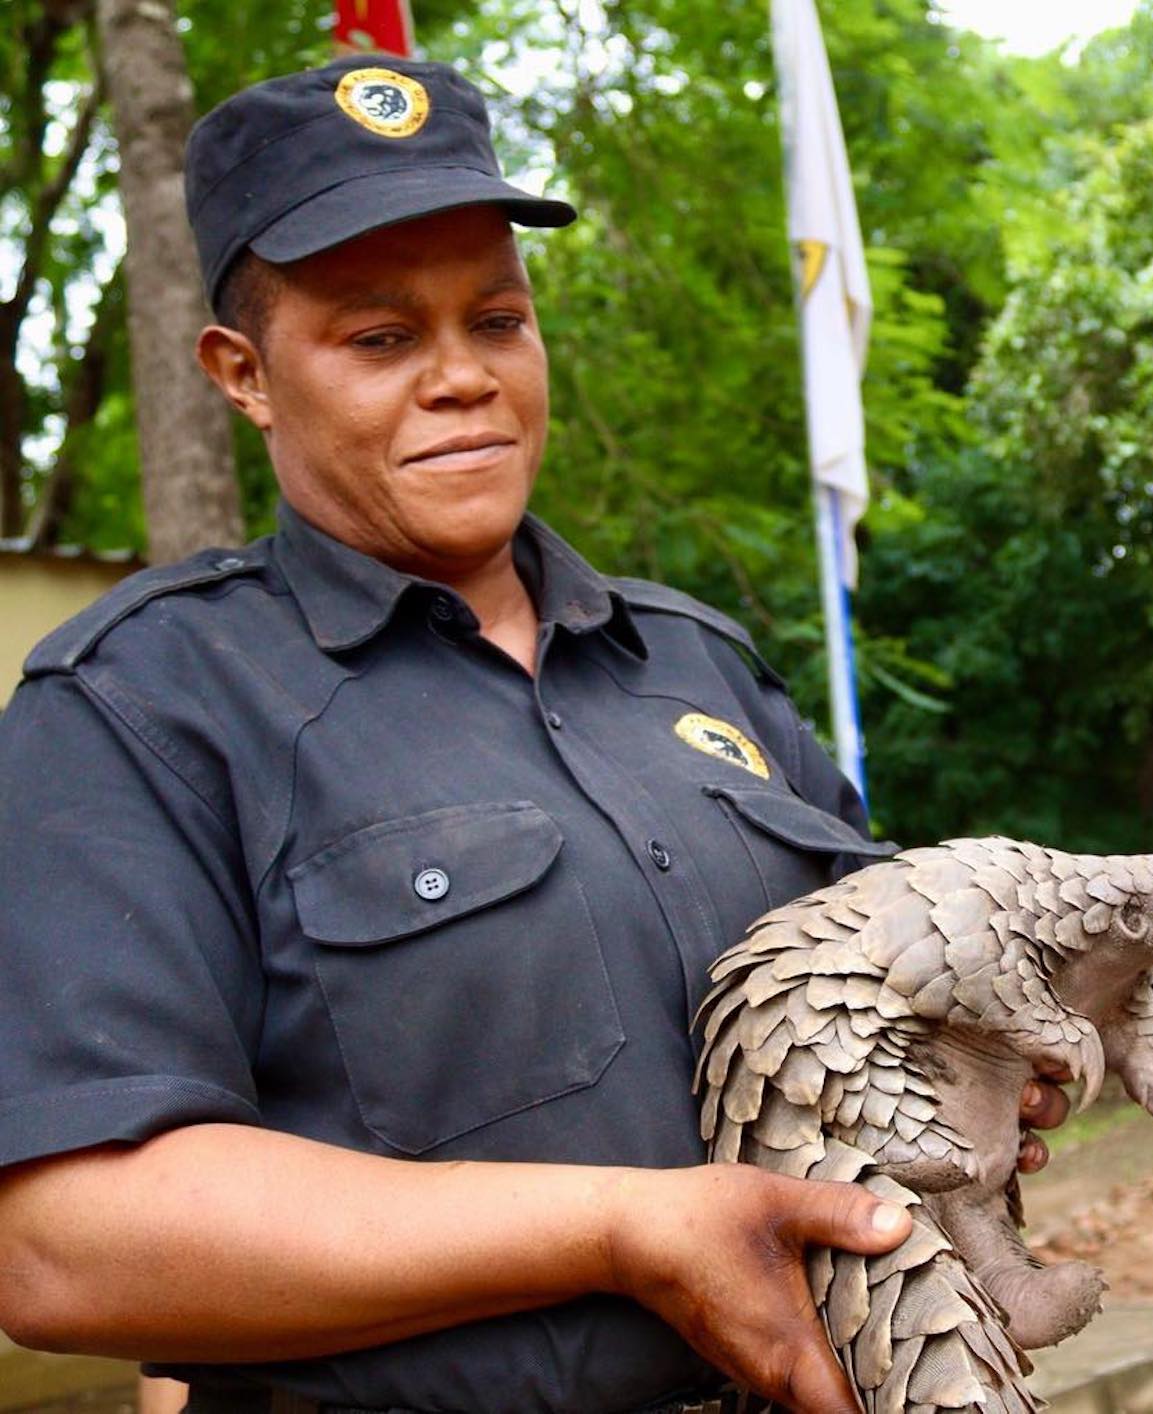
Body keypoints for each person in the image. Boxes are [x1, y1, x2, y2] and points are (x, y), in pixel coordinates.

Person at [0, 55, 1070, 1414]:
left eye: (497, 319)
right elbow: (65, 1242)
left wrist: (984, 1060)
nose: (462, 378)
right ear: (243, 373)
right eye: (381, 339)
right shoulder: (142, 706)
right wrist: (623, 1228)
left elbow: (876, 1008)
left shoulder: (697, 662)